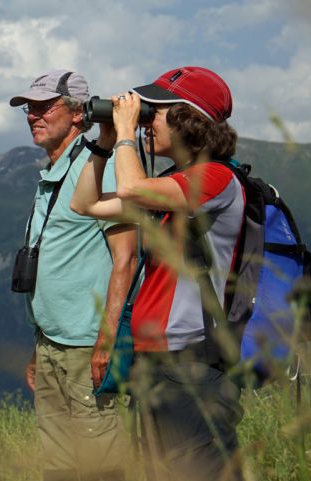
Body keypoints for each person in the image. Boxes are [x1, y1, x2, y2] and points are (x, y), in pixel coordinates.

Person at [69, 66, 244, 481]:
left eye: (156, 112)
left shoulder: (218, 178)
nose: (148, 121)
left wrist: (128, 131)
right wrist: (106, 142)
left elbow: (130, 190)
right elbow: (86, 205)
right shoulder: (171, 184)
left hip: (193, 364)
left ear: (189, 120)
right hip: (154, 362)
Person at [8, 69, 137, 480]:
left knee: (100, 464)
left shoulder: (100, 166)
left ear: (79, 113)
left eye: (45, 106)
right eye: (30, 108)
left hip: (87, 346)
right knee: (58, 464)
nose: (33, 115)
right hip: (51, 343)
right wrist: (39, 342)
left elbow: (126, 258)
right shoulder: (53, 172)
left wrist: (107, 340)